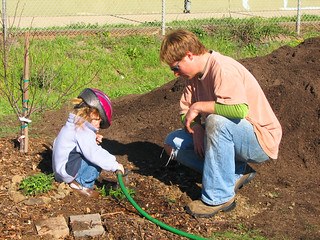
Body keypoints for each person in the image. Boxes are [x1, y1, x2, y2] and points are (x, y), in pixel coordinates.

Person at [160, 29, 282, 217]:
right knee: (172, 142)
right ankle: (234, 173)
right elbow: (185, 112)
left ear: (189, 56)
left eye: (175, 67)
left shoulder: (222, 68)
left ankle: (219, 197)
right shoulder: (193, 78)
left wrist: (199, 107)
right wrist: (197, 128)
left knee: (217, 121)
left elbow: (239, 110)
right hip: (226, 136)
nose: (175, 74)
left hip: (258, 139)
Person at [52, 88, 124, 198]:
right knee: (96, 160)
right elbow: (94, 153)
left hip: (59, 171)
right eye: (99, 120)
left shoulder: (72, 125)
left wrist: (92, 138)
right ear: (92, 114)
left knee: (91, 153)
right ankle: (82, 185)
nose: (99, 125)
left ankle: (75, 181)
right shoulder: (82, 131)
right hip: (67, 172)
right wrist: (115, 165)